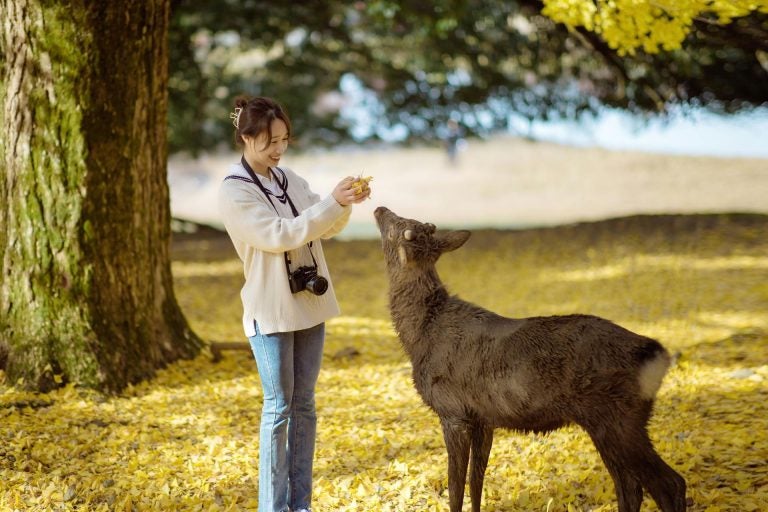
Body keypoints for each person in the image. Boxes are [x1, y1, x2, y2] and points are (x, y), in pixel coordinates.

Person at [218, 96, 370, 512]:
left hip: (309, 305)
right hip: (270, 312)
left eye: (284, 140)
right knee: (280, 408)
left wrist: (345, 201)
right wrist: (331, 204)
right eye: (269, 141)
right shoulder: (235, 190)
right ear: (246, 138)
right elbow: (280, 234)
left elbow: (324, 224)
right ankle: (273, 507)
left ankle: (299, 504)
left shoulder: (287, 179)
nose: (278, 149)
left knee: (304, 404)